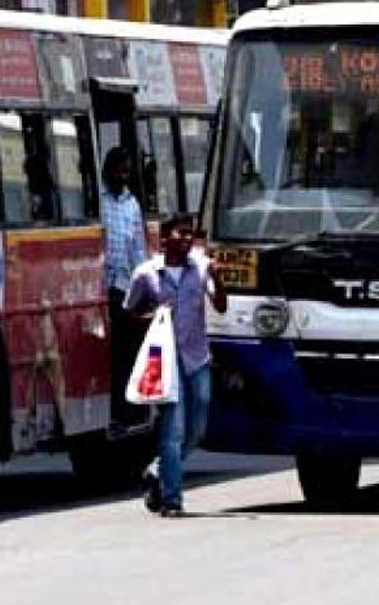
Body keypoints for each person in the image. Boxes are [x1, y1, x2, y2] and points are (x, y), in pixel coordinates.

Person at [125, 215, 228, 517]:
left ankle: (158, 470)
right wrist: (153, 314)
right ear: (165, 238)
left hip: (197, 357)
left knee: (197, 428)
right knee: (173, 430)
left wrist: (218, 277)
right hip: (166, 363)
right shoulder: (147, 274)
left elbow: (220, 304)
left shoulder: (200, 268)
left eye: (190, 235)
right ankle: (172, 499)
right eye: (181, 234)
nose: (187, 239)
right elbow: (130, 312)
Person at [101, 147, 149, 428]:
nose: (123, 176)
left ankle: (128, 409)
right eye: (119, 170)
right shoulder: (100, 201)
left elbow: (138, 249)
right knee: (111, 354)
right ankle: (117, 409)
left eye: (127, 171)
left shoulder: (132, 204)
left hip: (124, 287)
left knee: (126, 351)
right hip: (102, 286)